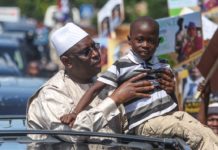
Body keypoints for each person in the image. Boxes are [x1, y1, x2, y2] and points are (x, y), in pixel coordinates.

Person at [60, 17, 218, 149]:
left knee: (204, 130)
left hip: (170, 116)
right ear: (130, 40)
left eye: (151, 41)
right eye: (140, 40)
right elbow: (95, 89)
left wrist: (171, 92)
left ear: (157, 43)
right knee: (187, 131)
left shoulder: (163, 65)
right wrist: (74, 113)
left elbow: (172, 104)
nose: (145, 45)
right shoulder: (121, 65)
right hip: (146, 124)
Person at [26, 22, 164, 142]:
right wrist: (114, 100)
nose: (96, 54)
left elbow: (131, 128)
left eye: (95, 46)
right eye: (86, 51)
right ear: (67, 61)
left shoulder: (106, 84)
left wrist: (167, 92)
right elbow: (72, 134)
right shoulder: (51, 93)